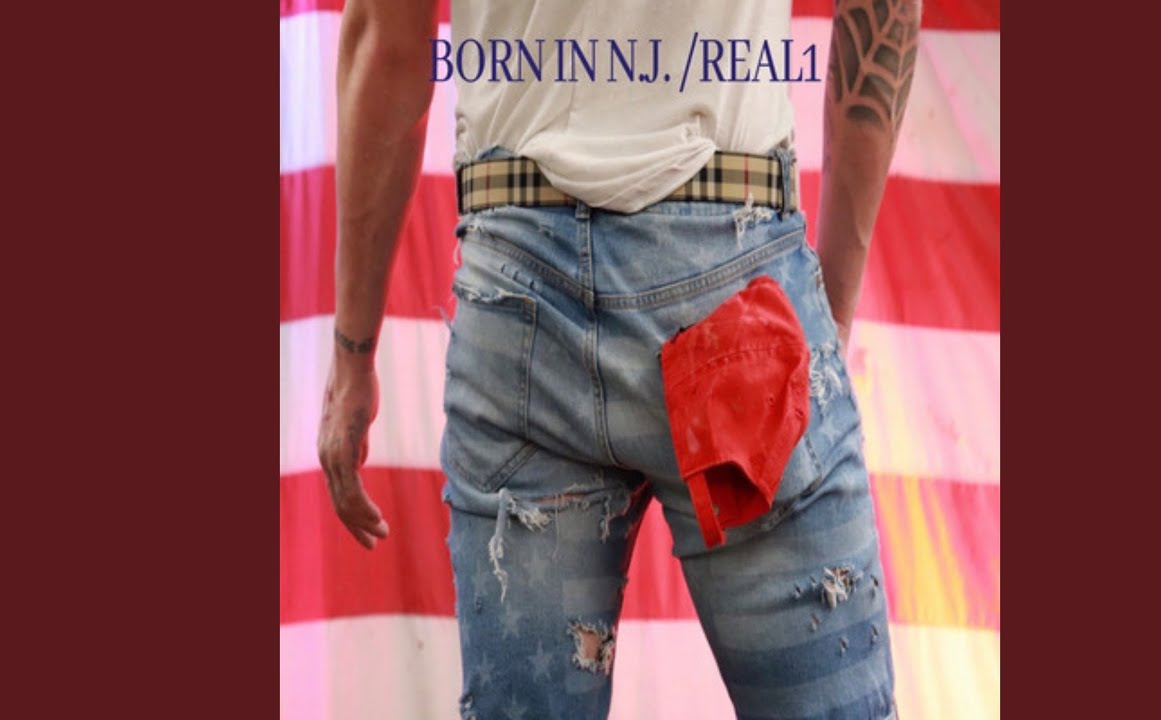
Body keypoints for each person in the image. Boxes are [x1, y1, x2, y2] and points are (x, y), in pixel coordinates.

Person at [317, 0, 920, 717]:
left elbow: (385, 43)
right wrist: (830, 317)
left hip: (519, 289)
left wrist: (353, 352)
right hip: (730, 273)